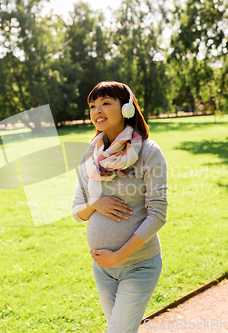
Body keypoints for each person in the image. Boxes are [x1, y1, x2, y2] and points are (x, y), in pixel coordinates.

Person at [72, 81, 169, 332]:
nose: (97, 111)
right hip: (102, 268)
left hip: (139, 265)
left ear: (127, 109)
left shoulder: (148, 151)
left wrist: (119, 255)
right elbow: (77, 211)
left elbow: (158, 214)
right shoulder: (91, 154)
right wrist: (96, 203)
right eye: (93, 106)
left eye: (106, 103)